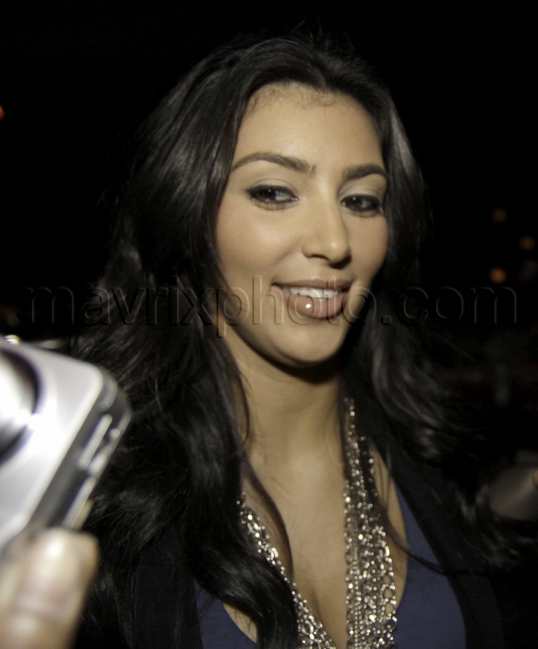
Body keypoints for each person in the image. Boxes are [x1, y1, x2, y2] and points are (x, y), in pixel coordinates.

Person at [2, 28, 537, 649]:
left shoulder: (439, 461)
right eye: (274, 193)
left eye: (362, 201)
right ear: (188, 214)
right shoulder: (97, 497)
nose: (333, 242)